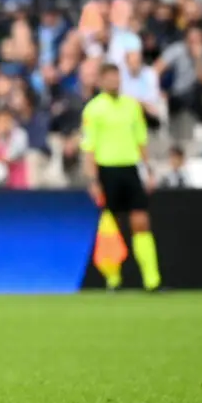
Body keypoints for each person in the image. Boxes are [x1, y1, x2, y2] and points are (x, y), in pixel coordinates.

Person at [81, 63, 162, 292]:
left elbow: (141, 140)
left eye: (117, 78)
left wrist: (148, 170)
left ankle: (152, 280)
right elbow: (89, 147)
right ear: (101, 81)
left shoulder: (131, 106)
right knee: (110, 225)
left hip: (130, 168)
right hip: (107, 170)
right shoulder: (93, 109)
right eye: (109, 78)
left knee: (141, 221)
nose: (114, 82)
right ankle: (113, 279)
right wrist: (93, 180)